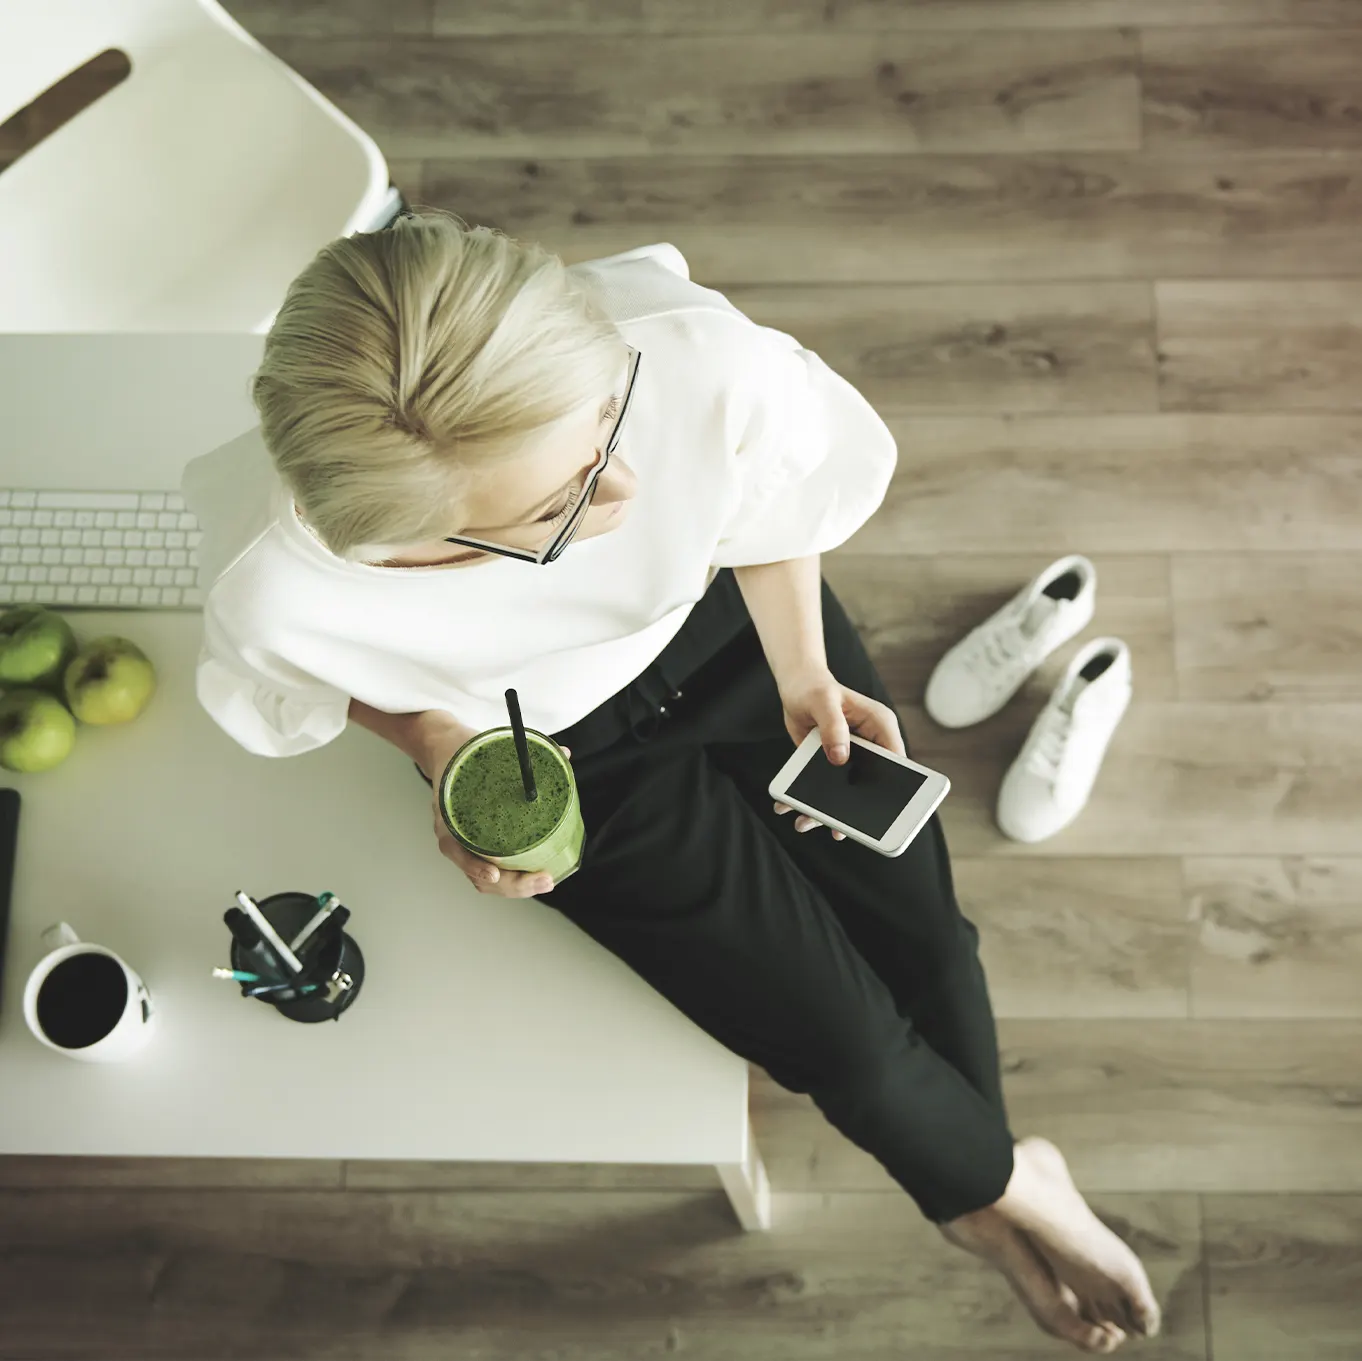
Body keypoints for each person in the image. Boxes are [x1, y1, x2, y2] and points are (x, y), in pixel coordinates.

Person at [181, 208, 1161, 1354]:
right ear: (406, 540)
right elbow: (316, 678)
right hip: (568, 755)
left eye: (607, 423)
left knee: (932, 936)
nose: (627, 492)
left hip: (739, 639)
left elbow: (766, 491)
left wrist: (802, 665)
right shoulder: (277, 589)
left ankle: (987, 1186)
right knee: (840, 1048)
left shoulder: (686, 353)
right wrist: (444, 752)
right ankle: (1001, 1185)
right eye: (558, 512)